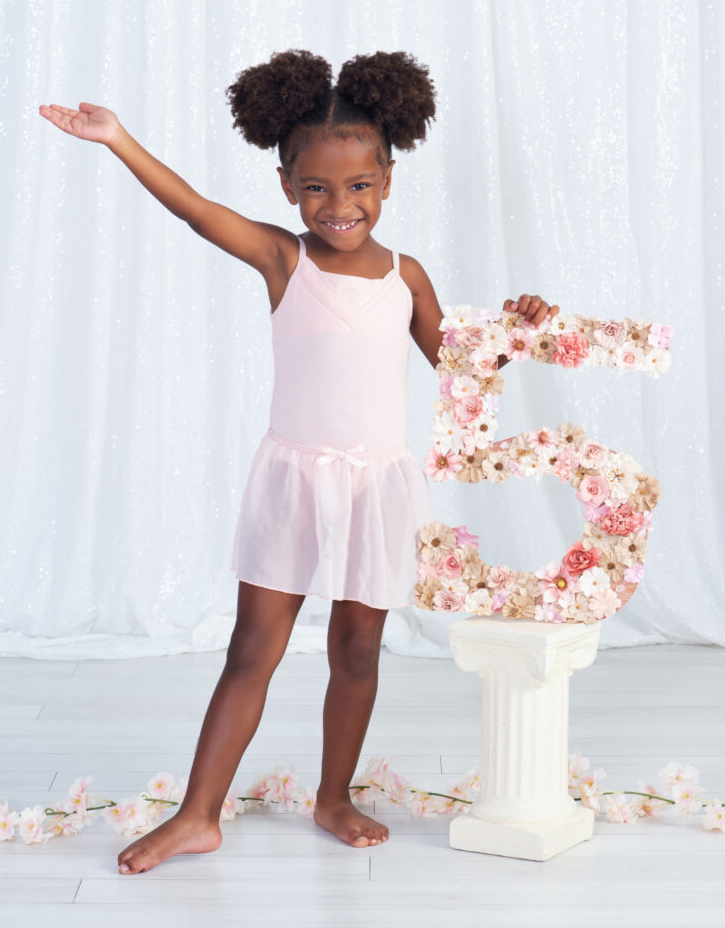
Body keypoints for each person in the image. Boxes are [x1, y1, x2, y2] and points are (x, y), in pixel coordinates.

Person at [38, 48, 559, 875]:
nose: (339, 205)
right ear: (287, 187)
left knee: (357, 652)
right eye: (316, 187)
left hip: (377, 485)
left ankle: (334, 794)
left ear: (387, 178)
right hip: (294, 478)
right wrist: (119, 140)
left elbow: (461, 371)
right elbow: (197, 211)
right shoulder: (287, 260)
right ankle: (198, 813)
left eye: (358, 186)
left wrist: (516, 330)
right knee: (255, 648)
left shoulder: (406, 276)